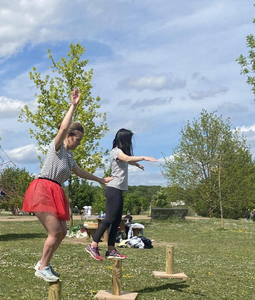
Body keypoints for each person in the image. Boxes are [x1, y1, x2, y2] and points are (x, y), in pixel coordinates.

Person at [22, 88, 112, 282]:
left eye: (80, 140)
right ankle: (42, 267)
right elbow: (62, 128)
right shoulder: (57, 147)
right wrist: (73, 105)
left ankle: (43, 263)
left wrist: (101, 180)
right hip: (43, 188)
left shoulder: (70, 156)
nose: (78, 143)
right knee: (54, 232)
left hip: (55, 191)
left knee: (62, 232)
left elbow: (79, 172)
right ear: (69, 136)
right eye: (77, 139)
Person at [85, 129, 157, 261]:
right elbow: (127, 158)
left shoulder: (120, 153)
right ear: (124, 140)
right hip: (114, 189)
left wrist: (137, 164)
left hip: (118, 190)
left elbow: (128, 160)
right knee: (109, 219)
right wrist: (144, 158)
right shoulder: (116, 151)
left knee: (116, 220)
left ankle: (111, 249)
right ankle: (93, 244)